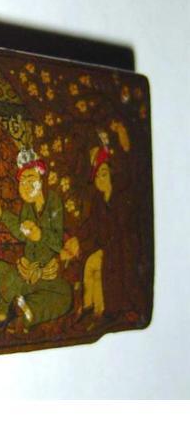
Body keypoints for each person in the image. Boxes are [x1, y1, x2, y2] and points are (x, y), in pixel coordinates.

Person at [0, 148, 77, 332]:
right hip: (25, 275)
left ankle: (26, 312)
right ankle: (0, 314)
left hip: (46, 277)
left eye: (30, 179)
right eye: (22, 181)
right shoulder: (27, 207)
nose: (25, 185)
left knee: (65, 294)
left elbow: (58, 242)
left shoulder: (53, 202)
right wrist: (1, 213)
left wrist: (40, 235)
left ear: (41, 180)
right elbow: (21, 233)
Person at [76, 124, 144, 327]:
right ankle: (89, 306)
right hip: (108, 247)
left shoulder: (121, 195)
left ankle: (105, 309)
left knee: (104, 266)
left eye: (104, 174)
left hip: (124, 248)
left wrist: (122, 136)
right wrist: (78, 242)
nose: (101, 179)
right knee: (90, 263)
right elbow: (91, 228)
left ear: (111, 174)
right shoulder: (98, 202)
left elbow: (126, 226)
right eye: (97, 176)